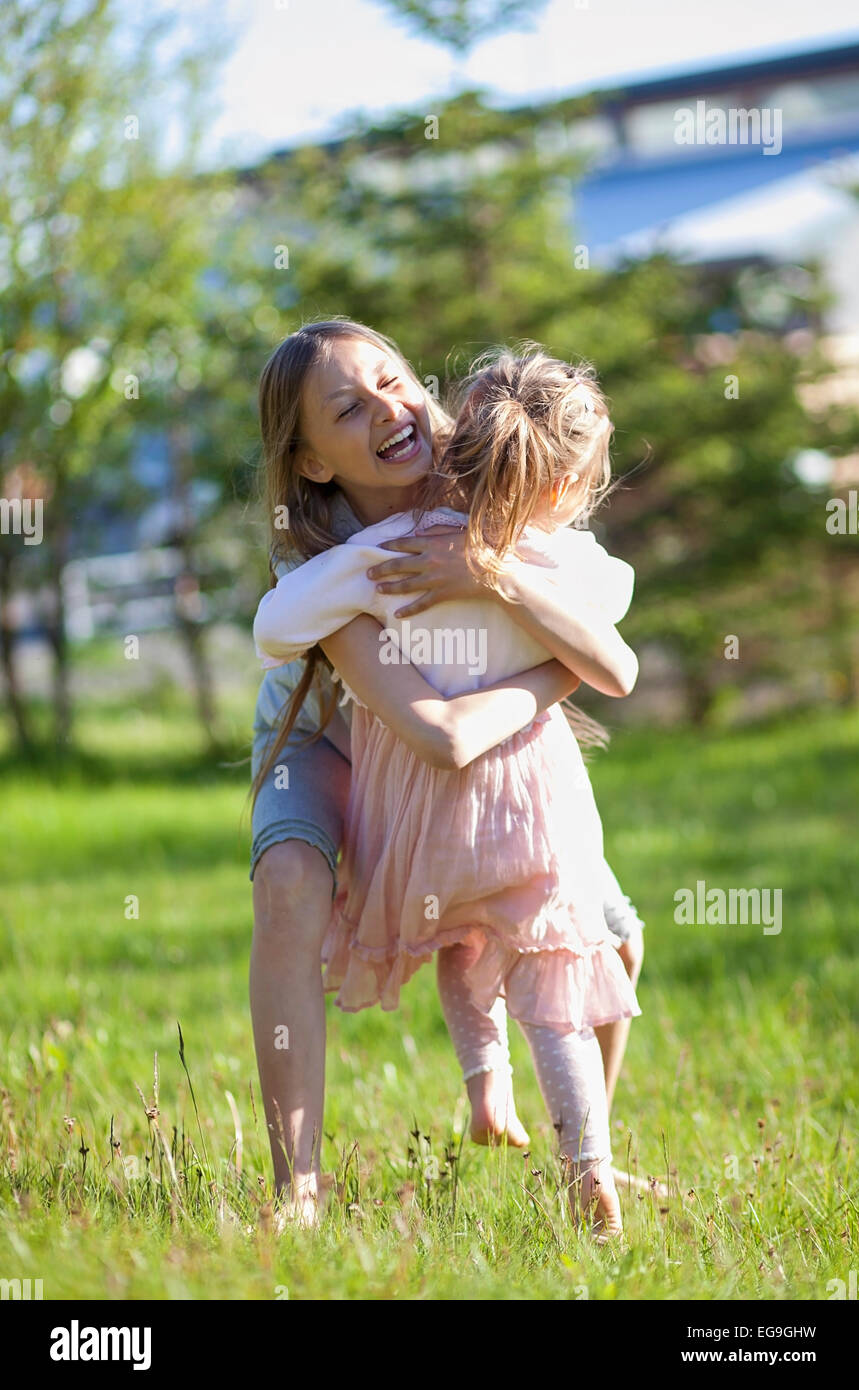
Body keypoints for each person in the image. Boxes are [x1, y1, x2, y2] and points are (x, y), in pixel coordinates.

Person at [254, 345, 641, 1237]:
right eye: (347, 410)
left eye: (392, 382)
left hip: (483, 755)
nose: (387, 410)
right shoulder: (350, 558)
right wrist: (556, 674)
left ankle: (582, 1155)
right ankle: (299, 1194)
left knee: (610, 947)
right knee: (293, 891)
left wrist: (491, 568)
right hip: (340, 730)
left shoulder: (487, 487)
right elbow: (447, 733)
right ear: (311, 459)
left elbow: (599, 599)